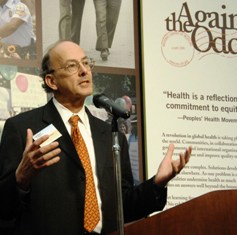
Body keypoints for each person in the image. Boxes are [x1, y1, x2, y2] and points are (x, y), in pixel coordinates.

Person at [0, 40, 192, 235]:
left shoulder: (111, 136)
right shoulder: (23, 128)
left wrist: (157, 184)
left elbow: (123, 207)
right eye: (72, 66)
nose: (84, 71)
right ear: (51, 81)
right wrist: (20, 178)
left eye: (86, 63)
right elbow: (3, 210)